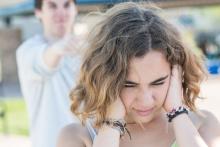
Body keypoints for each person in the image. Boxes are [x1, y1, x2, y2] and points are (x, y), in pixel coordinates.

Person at [57, 2, 220, 147]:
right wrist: (112, 125)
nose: (146, 100)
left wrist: (178, 112)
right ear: (105, 79)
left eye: (158, 82)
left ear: (175, 75)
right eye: (129, 85)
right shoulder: (77, 137)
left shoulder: (202, 124)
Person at [16, 0, 80, 147]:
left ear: (75, 9)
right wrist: (59, 48)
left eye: (66, 5)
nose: (61, 13)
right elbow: (44, 62)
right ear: (38, 12)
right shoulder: (27, 51)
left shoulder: (87, 51)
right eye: (52, 6)